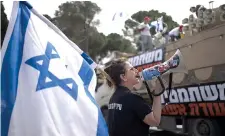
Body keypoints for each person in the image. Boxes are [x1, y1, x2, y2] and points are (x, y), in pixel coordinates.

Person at [104, 59, 163, 136]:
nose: (136, 70)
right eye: (131, 69)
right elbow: (155, 121)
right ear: (123, 77)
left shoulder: (114, 97)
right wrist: (157, 93)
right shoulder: (132, 98)